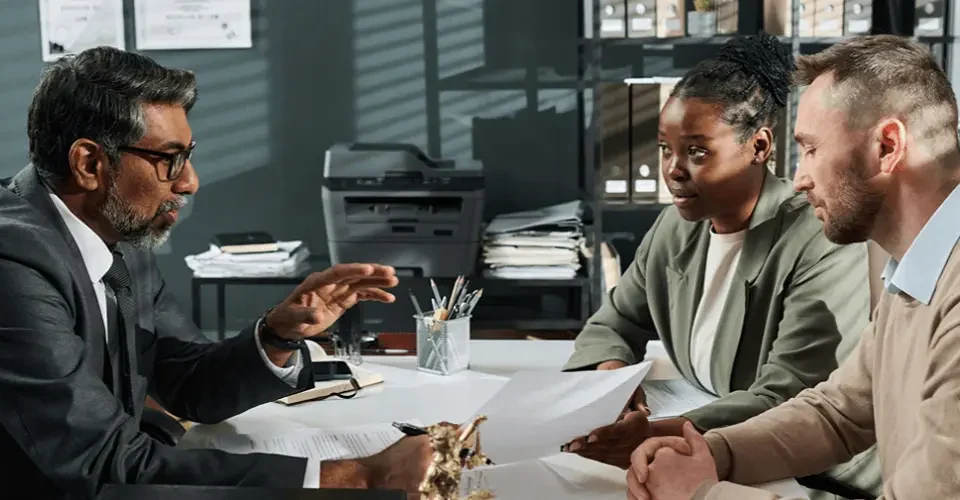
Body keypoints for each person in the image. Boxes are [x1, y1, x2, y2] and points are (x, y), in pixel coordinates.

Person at [0, 46, 430, 499]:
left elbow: (191, 385)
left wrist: (276, 335)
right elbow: (102, 463)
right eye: (170, 159)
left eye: (188, 155)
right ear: (90, 164)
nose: (189, 182)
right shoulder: (13, 260)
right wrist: (360, 477)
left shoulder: (118, 229)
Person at [627, 34, 960, 500]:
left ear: (887, 147)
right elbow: (839, 413)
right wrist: (710, 452)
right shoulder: (918, 271)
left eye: (811, 149)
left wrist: (700, 493)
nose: (800, 179)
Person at [562, 32, 872, 472]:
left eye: (697, 151)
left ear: (759, 147)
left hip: (802, 468)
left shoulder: (818, 238)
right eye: (666, 149)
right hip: (703, 436)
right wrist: (614, 383)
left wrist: (655, 433)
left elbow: (788, 395)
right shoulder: (677, 224)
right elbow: (617, 320)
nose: (673, 170)